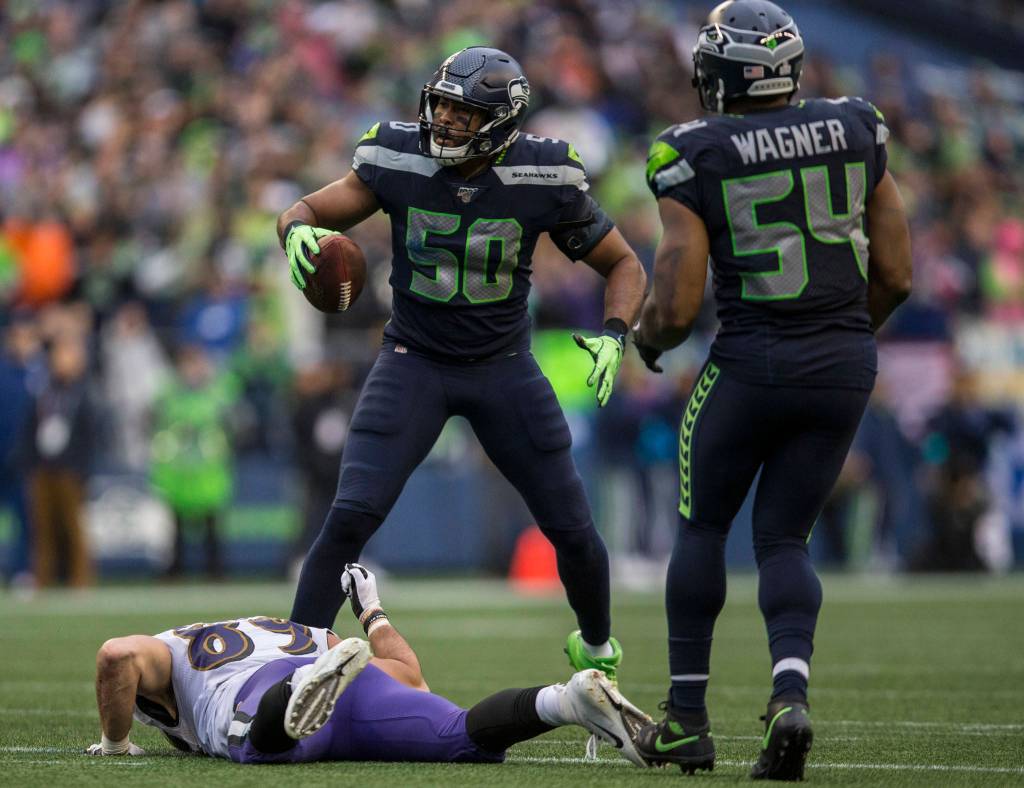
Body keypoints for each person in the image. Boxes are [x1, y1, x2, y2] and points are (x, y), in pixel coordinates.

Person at [276, 47, 647, 678]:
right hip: (413, 359)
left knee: (572, 528)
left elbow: (624, 263)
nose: (444, 120)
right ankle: (290, 665)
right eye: (441, 104)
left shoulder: (542, 173)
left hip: (503, 366)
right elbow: (305, 209)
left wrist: (616, 333)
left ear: (501, 122)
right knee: (350, 515)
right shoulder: (398, 157)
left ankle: (597, 649)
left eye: (463, 111)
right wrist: (295, 233)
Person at [632, 0, 912, 779]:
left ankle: (687, 720)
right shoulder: (856, 125)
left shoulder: (692, 149)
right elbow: (897, 273)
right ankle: (790, 695)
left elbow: (677, 306)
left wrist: (646, 340)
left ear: (720, 74)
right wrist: (839, 340)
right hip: (844, 363)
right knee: (785, 539)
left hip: (752, 362)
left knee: (701, 530)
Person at [84, 563, 651, 767]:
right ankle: (565, 700)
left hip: (265, 687)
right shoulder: (308, 634)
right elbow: (409, 675)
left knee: (256, 746)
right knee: (461, 738)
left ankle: (299, 690)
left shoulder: (181, 649)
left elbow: (116, 654)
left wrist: (115, 744)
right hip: (350, 676)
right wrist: (372, 612)